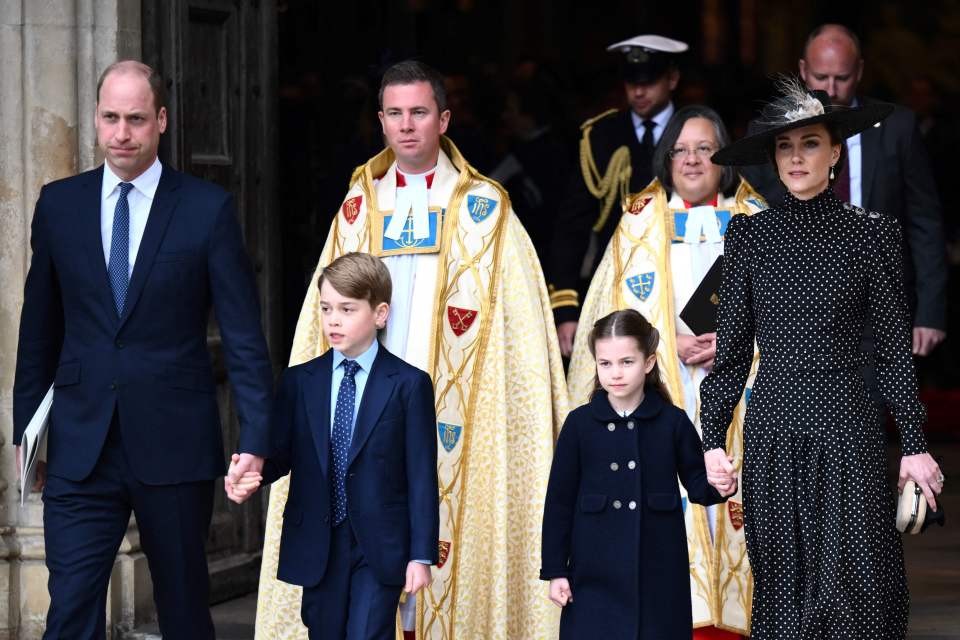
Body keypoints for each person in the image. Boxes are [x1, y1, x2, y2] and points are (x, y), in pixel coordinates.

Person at [255, 60, 569, 640]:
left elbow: (518, 336)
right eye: (394, 114)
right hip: (367, 409)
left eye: (419, 112)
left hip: (452, 415)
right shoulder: (356, 208)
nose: (406, 126)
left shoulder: (485, 208)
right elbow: (318, 323)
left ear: (443, 119)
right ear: (379, 120)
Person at [11, 60, 273, 638]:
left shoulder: (207, 209)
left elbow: (244, 337)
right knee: (70, 613)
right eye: (110, 118)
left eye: (135, 119)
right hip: (81, 449)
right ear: (96, 119)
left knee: (182, 612)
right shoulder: (59, 205)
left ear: (161, 120)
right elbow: (39, 331)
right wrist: (26, 437)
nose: (121, 133)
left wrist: (255, 440)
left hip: (174, 445)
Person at [700, 79, 944, 639]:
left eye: (809, 143)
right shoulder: (748, 238)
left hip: (849, 427)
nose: (796, 158)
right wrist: (712, 439)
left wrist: (914, 444)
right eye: (784, 147)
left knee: (859, 588)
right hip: (774, 432)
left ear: (835, 152)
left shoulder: (872, 235)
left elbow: (891, 351)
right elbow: (732, 353)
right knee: (784, 588)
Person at [566, 105, 765, 638]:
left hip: (740, 388)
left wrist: (733, 341)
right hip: (662, 384)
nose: (693, 159)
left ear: (725, 157)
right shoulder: (638, 220)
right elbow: (611, 306)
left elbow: (786, 313)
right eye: (681, 149)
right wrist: (664, 338)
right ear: (666, 157)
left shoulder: (758, 219)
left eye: (706, 148)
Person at [230, 252, 438, 639]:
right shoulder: (299, 381)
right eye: (326, 308)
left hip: (379, 545)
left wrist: (420, 555)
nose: (333, 320)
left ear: (379, 314)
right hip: (320, 543)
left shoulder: (408, 384)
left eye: (347, 308)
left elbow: (422, 474)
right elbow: (280, 455)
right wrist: (252, 468)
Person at [740, 24, 947, 357]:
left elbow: (925, 223)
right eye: (821, 78)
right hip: (794, 313)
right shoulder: (768, 131)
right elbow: (751, 219)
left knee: (868, 409)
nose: (832, 90)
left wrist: (930, 313)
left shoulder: (898, 128)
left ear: (860, 71)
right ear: (803, 71)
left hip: (878, 311)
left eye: (843, 77)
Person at [541, 309, 734, 639]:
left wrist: (721, 483)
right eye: (605, 364)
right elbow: (559, 503)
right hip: (593, 575)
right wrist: (557, 571)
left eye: (626, 362)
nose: (615, 373)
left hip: (658, 574)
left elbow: (699, 485)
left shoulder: (672, 422)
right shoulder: (579, 425)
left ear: (648, 362)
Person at [549, 34, 687, 357]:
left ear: (672, 79)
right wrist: (566, 309)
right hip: (614, 282)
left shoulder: (694, 131)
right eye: (630, 81)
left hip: (680, 279)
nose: (638, 91)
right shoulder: (601, 135)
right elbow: (573, 223)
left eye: (650, 80)